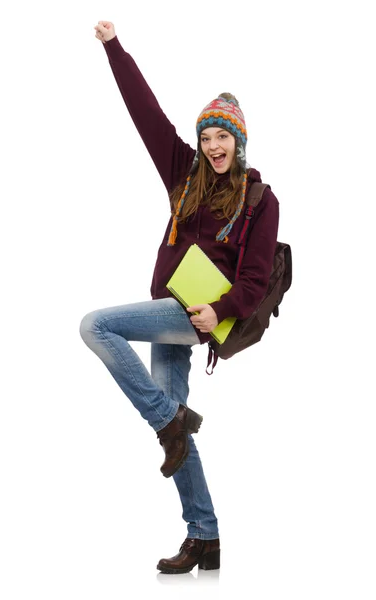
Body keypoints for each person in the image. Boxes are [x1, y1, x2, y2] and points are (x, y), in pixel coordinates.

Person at [80, 20, 279, 575]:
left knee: (96, 326)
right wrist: (113, 47)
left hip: (198, 317)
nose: (214, 146)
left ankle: (169, 421)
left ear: (239, 142)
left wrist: (219, 309)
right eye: (207, 136)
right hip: (169, 311)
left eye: (224, 137)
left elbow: (255, 281)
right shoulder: (183, 173)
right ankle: (206, 535)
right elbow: (142, 109)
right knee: (176, 428)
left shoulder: (262, 201)